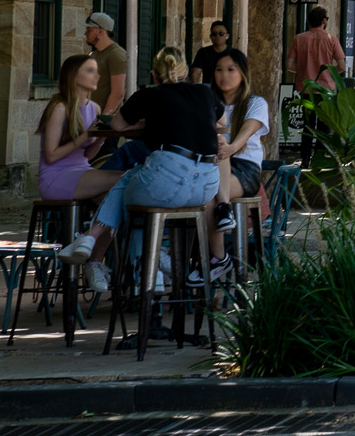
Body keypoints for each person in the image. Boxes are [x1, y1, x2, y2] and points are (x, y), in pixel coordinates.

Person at [56, 70, 221, 281]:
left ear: (153, 75)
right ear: (185, 72)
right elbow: (221, 120)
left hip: (168, 177)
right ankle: (151, 266)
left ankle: (100, 244)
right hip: (207, 187)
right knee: (133, 183)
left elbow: (117, 125)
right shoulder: (203, 92)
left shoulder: (151, 95)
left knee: (129, 182)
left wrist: (150, 122)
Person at [199, 50, 269, 284]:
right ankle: (211, 256)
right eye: (219, 69)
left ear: (242, 73)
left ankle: (217, 258)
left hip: (244, 168)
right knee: (199, 195)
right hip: (210, 164)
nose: (224, 75)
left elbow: (246, 131)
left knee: (210, 196)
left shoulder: (255, 103)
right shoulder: (208, 101)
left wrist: (231, 147)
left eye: (231, 70)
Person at [35, 54, 122, 212]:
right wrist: (87, 135)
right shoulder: (59, 108)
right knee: (123, 178)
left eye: (97, 71)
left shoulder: (94, 108)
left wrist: (101, 136)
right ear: (73, 75)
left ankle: (88, 236)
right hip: (55, 176)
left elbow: (88, 156)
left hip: (82, 170)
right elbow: (51, 156)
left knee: (114, 206)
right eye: (90, 71)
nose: (97, 76)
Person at [291, 6, 347, 88]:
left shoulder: (298, 39)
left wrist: (303, 72)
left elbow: (289, 65)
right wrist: (328, 74)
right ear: (324, 21)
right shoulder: (332, 40)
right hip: (326, 88)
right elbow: (342, 66)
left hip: (304, 87)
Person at [84, 12, 128, 116]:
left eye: (89, 30)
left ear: (100, 32)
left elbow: (118, 93)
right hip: (90, 116)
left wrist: (103, 119)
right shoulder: (93, 54)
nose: (85, 33)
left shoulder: (116, 55)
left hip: (103, 123)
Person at [189, 20, 244, 84]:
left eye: (221, 34)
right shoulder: (203, 52)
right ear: (210, 36)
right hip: (209, 90)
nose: (217, 36)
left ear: (227, 36)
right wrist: (197, 89)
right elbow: (195, 73)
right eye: (214, 34)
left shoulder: (234, 53)